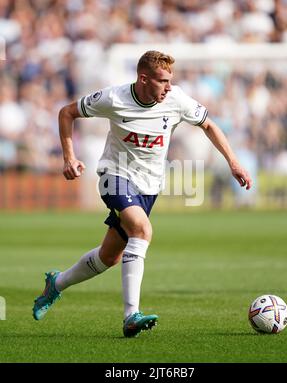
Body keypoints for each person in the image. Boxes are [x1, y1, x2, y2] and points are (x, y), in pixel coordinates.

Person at [32, 51, 252, 337]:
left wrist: (233, 162)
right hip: (115, 175)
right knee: (142, 229)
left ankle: (56, 284)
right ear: (143, 79)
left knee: (109, 257)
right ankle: (130, 316)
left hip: (149, 186)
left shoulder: (177, 100)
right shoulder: (114, 98)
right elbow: (67, 112)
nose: (168, 87)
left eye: (170, 81)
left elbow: (208, 125)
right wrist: (68, 157)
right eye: (162, 81)